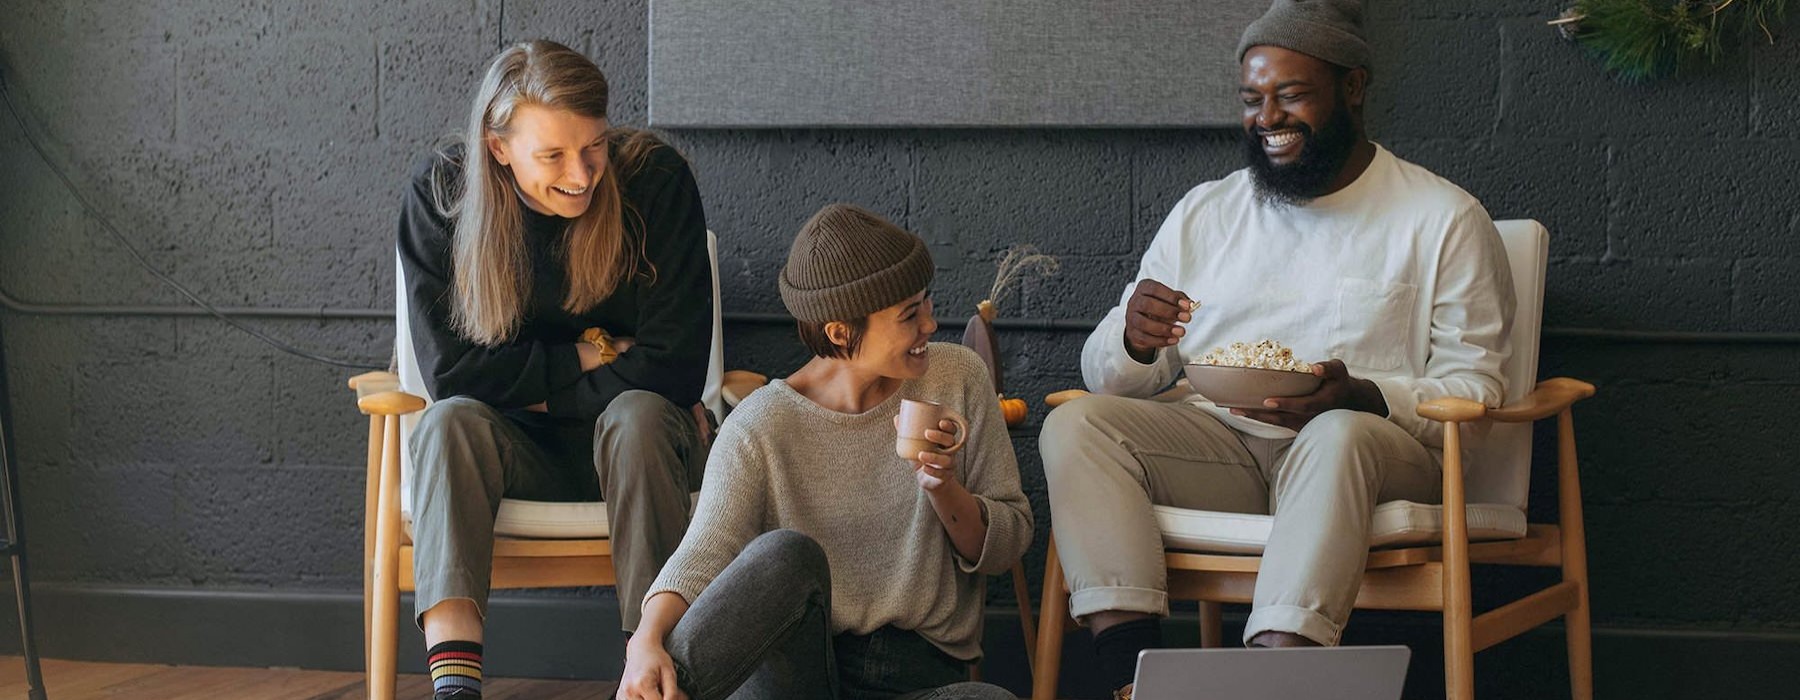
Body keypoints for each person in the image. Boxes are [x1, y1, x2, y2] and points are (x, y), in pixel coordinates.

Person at [1039, 1, 1517, 697]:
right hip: (1224, 446)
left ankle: (1272, 680)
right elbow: (1109, 377)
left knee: (1338, 433)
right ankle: (1128, 685)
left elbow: (1476, 388)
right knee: (1077, 423)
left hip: (1377, 455)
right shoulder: (1208, 212)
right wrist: (1134, 342)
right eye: (1253, 98)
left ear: (1352, 88)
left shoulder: (1441, 218)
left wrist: (1366, 396)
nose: (1268, 117)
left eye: (1292, 95)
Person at [398, 39, 714, 700]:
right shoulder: (443, 196)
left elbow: (677, 370)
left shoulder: (654, 181)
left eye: (593, 145)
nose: (582, 172)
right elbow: (453, 375)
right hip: (516, 453)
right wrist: (588, 355)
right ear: (497, 147)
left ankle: (645, 673)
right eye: (553, 155)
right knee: (446, 425)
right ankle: (455, 687)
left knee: (639, 416)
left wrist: (536, 391)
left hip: (646, 450)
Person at [616, 204, 1033, 700]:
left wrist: (945, 489)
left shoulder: (957, 377)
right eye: (909, 314)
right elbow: (703, 554)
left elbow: (1008, 544)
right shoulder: (761, 426)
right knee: (784, 555)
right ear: (839, 332)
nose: (930, 323)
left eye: (926, 303)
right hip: (795, 676)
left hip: (918, 678)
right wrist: (644, 640)